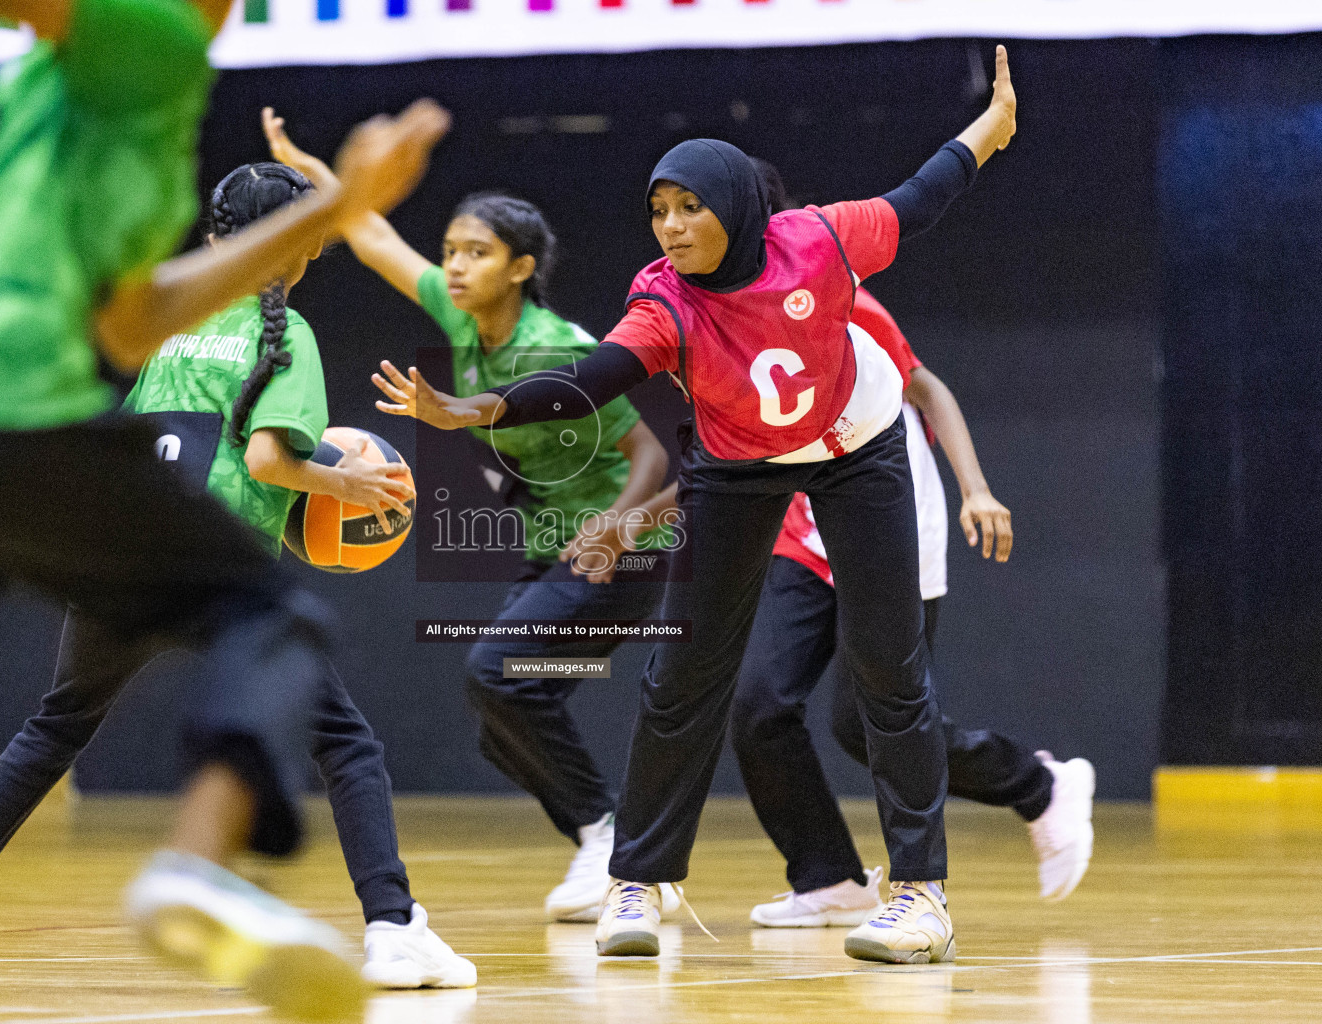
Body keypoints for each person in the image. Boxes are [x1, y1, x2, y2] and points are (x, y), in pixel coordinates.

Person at [0, 0, 447, 1016]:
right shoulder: (150, 31)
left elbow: (131, 322)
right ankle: (202, 867)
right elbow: (269, 455)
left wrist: (337, 204)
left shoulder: (134, 146)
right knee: (272, 611)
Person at [371, 47, 1020, 964]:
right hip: (737, 464)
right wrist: (478, 408)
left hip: (855, 447)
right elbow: (592, 380)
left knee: (888, 669)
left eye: (689, 207)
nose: (670, 227)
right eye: (658, 211)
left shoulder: (823, 238)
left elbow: (924, 192)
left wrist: (990, 130)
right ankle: (637, 881)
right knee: (686, 673)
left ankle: (919, 897)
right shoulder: (665, 299)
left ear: (739, 209)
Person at [0, 161, 475, 991]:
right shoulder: (286, 336)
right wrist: (345, 483)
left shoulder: (172, 326)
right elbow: (269, 459)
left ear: (214, 239)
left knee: (54, 729)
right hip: (207, 560)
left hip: (120, 544)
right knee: (344, 740)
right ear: (297, 248)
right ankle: (392, 927)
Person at [263, 111, 680, 923]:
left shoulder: (556, 347)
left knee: (495, 673)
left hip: (622, 544)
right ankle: (619, 854)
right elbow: (370, 234)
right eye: (451, 250)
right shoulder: (463, 317)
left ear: (521, 268)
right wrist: (318, 168)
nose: (454, 267)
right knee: (504, 715)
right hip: (554, 539)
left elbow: (654, 458)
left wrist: (612, 532)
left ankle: (616, 847)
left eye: (476, 253)